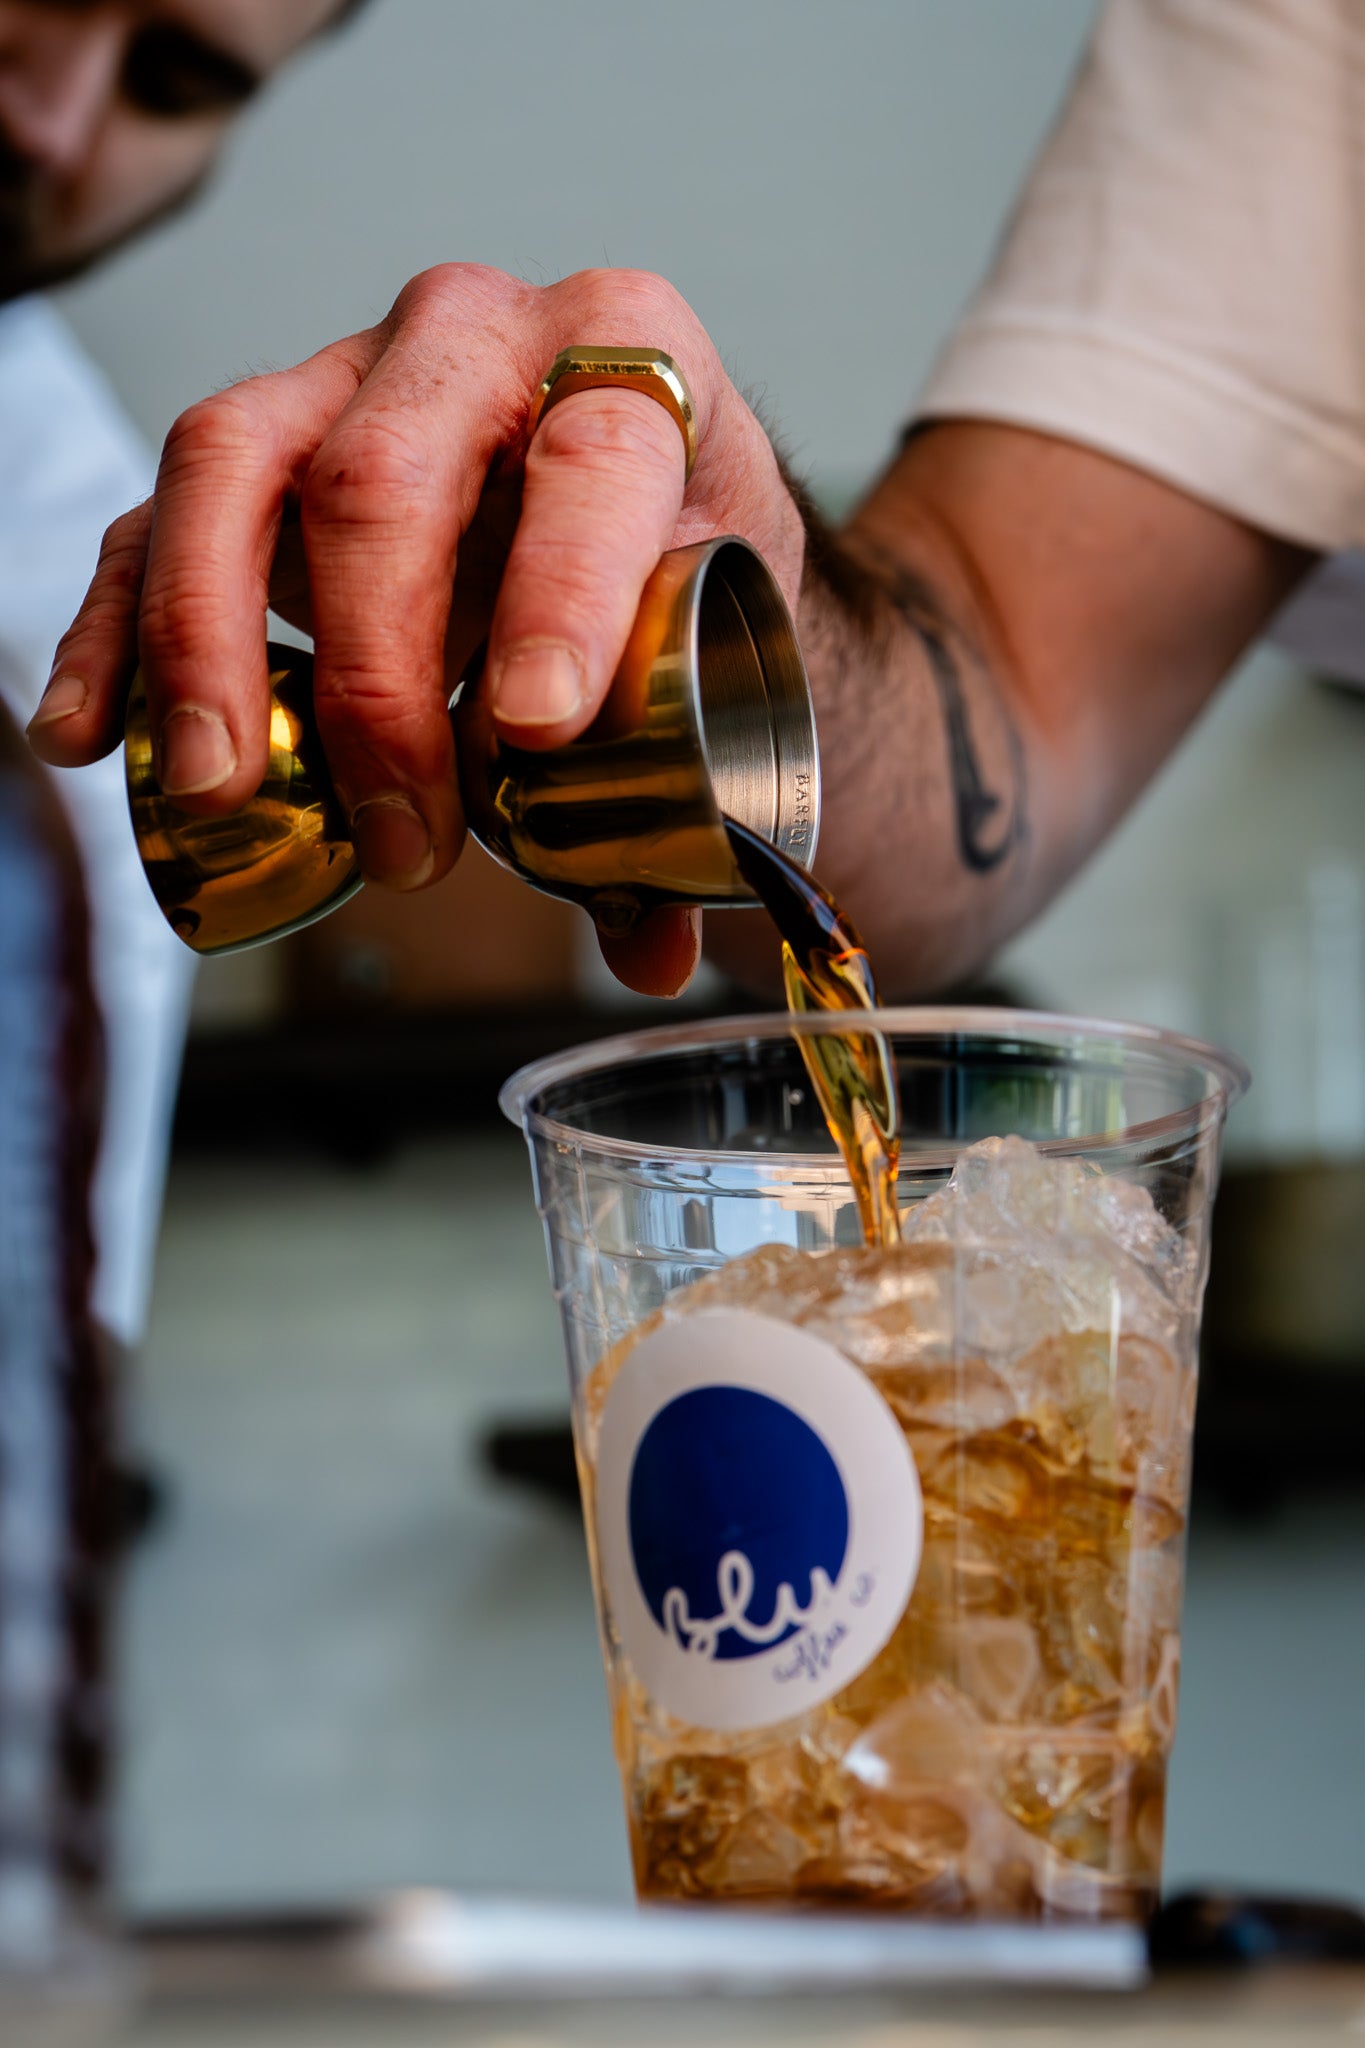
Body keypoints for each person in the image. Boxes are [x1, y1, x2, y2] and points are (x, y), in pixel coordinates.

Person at [32, 0, 1362, 1024]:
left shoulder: (57, 488)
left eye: (174, 81)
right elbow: (997, 693)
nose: (51, 120)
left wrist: (692, 647)